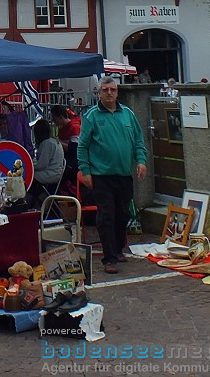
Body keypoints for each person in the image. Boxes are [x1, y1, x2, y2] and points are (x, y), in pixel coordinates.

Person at [77, 76, 147, 274]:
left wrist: (141, 160)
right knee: (106, 215)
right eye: (105, 89)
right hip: (101, 175)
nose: (109, 93)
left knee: (123, 213)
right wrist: (86, 171)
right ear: (99, 93)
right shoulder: (92, 116)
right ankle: (109, 258)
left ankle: (117, 248)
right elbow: (83, 146)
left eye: (113, 90)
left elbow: (138, 140)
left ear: (117, 92)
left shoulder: (128, 115)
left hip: (123, 174)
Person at [28, 119, 64, 207]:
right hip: (55, 172)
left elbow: (42, 165)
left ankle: (37, 201)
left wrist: (30, 165)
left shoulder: (47, 143)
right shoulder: (54, 141)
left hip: (51, 173)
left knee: (29, 179)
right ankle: (41, 198)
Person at [49, 104, 81, 193]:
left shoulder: (74, 128)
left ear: (61, 117)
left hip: (73, 163)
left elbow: (74, 149)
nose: (53, 121)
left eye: (54, 118)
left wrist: (57, 142)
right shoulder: (62, 129)